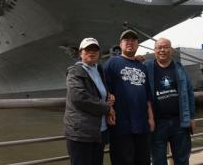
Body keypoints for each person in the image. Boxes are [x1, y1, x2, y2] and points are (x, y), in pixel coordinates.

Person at [103, 29, 155, 165]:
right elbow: (102, 88)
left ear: (138, 44)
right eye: (126, 40)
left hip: (142, 127)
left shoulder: (142, 67)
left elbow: (147, 96)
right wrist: (108, 110)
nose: (130, 42)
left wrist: (151, 118)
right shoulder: (112, 62)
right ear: (120, 44)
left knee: (143, 161)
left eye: (133, 40)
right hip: (121, 127)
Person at [64, 37, 115, 165]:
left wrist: (109, 95)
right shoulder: (74, 72)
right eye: (87, 50)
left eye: (95, 50)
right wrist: (108, 108)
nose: (91, 52)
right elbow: (80, 98)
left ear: (99, 53)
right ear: (80, 53)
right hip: (81, 133)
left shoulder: (99, 70)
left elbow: (101, 91)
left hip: (99, 132)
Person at [145, 37, 195, 165]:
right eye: (159, 47)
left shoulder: (179, 68)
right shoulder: (147, 67)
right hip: (157, 123)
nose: (162, 50)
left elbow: (189, 92)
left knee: (182, 159)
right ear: (154, 50)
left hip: (179, 122)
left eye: (166, 47)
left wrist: (192, 117)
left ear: (171, 50)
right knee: (158, 161)